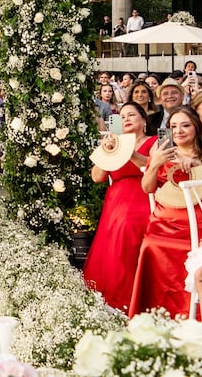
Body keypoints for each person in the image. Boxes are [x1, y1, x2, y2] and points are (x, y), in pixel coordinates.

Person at [128, 106, 202, 318]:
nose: (179, 131)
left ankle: (197, 319)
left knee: (200, 251)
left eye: (185, 125)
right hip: (163, 223)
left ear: (196, 127)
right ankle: (155, 315)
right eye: (173, 126)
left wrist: (197, 167)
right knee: (150, 245)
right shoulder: (163, 153)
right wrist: (155, 164)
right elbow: (147, 188)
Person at [82, 101, 155, 313]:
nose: (126, 119)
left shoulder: (153, 142)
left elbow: (151, 167)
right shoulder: (114, 143)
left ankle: (133, 300)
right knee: (111, 246)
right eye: (122, 117)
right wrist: (107, 151)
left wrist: (128, 151)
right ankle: (111, 302)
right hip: (115, 202)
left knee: (127, 230)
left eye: (132, 115)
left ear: (143, 121)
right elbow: (97, 177)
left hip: (142, 196)